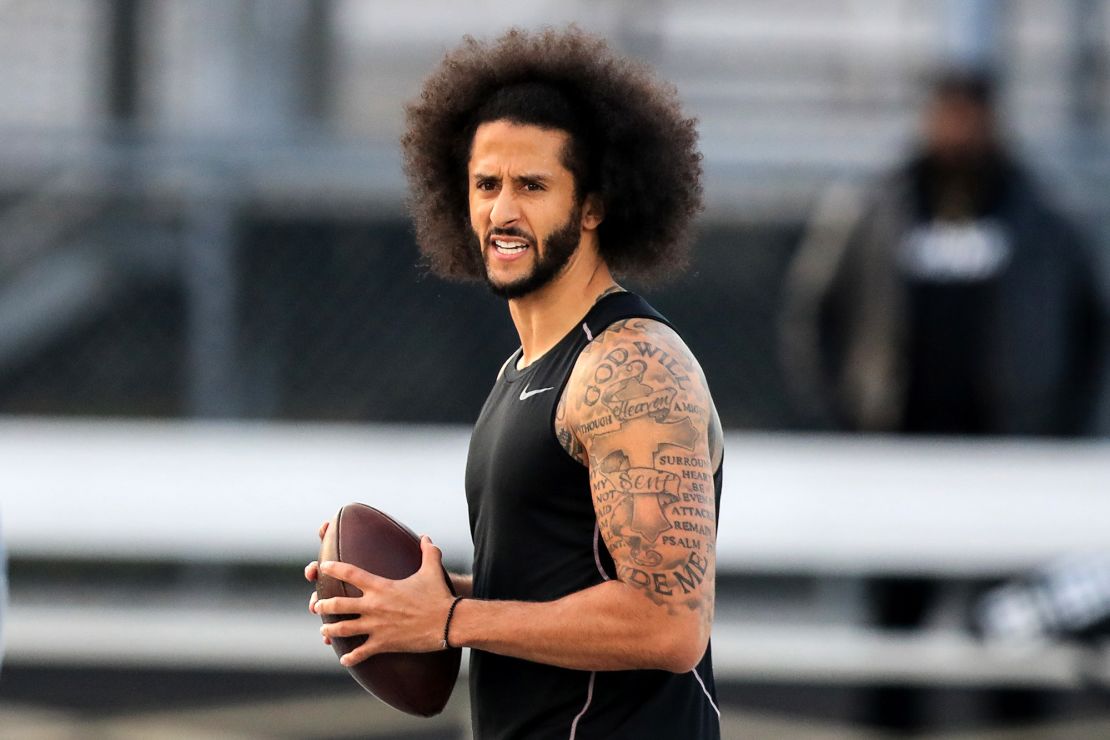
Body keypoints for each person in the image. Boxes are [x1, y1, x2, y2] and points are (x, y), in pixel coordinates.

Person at [305, 27, 723, 739]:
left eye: (532, 186)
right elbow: (560, 593)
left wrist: (452, 620)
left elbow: (668, 624)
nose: (502, 212)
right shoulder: (522, 371)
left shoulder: (631, 368)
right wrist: (415, 604)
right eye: (486, 185)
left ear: (592, 206)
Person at [780, 68, 1106, 438]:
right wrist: (833, 413)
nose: (960, 133)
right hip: (889, 434)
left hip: (1009, 440)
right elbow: (815, 311)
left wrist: (1063, 422)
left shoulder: (1041, 221)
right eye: (950, 117)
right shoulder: (875, 212)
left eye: (971, 119)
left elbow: (1087, 325)